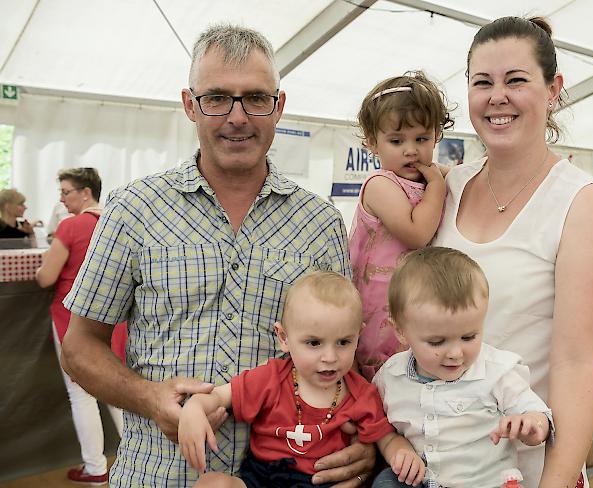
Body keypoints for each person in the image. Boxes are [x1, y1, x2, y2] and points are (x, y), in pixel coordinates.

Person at [60, 24, 374, 487]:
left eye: (256, 98)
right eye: (217, 98)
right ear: (190, 104)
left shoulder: (319, 223)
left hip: (289, 475)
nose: (238, 116)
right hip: (158, 474)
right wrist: (150, 398)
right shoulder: (134, 209)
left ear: (279, 106)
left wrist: (367, 442)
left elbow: (349, 354)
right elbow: (79, 346)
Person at [434, 16, 593, 488]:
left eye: (516, 80)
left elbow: (579, 363)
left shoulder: (582, 203)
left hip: (523, 469)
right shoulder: (447, 188)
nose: (498, 96)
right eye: (483, 83)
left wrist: (555, 482)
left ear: (553, 88)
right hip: (435, 461)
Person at [180, 272, 425, 488]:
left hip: (322, 481)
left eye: (343, 342)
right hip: (262, 477)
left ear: (358, 336)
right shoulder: (272, 378)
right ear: (284, 337)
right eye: (314, 343)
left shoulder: (360, 394)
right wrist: (195, 407)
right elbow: (221, 396)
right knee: (212, 483)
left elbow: (386, 439)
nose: (329, 357)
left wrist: (401, 454)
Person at [372, 247, 552, 488]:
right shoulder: (390, 375)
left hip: (485, 483)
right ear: (401, 332)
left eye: (468, 337)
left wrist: (532, 424)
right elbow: (377, 424)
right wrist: (397, 449)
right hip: (418, 481)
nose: (456, 353)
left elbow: (539, 415)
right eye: (437, 342)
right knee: (385, 483)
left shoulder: (496, 371)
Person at [350, 71, 453, 380]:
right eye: (396, 141)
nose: (411, 150)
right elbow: (418, 233)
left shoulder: (426, 177)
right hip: (376, 306)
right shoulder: (381, 185)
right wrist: (436, 183)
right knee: (380, 378)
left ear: (436, 135)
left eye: (421, 139)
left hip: (411, 303)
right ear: (373, 143)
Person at [35, 167, 127, 484]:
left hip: (72, 319)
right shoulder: (115, 221)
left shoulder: (71, 226)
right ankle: (132, 458)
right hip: (115, 318)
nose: (61, 199)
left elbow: (46, 276)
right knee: (118, 389)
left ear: (85, 192)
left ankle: (95, 467)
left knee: (82, 395)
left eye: (66, 192)